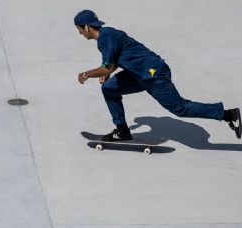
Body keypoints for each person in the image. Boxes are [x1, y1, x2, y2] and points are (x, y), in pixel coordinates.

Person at [74, 9, 241, 141]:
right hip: (138, 74)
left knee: (180, 108)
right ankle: (122, 131)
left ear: (86, 27)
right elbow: (115, 60)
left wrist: (86, 74)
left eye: (79, 30)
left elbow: (107, 67)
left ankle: (228, 115)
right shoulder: (108, 34)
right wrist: (108, 72)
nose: (80, 34)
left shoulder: (105, 38)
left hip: (154, 74)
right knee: (109, 87)